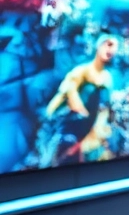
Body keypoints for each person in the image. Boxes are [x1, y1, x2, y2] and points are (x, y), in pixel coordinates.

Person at [44, 35, 118, 163]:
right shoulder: (81, 71)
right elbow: (65, 93)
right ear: (99, 45)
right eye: (108, 44)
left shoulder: (107, 78)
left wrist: (96, 132)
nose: (111, 50)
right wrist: (51, 114)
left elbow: (104, 109)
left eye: (114, 47)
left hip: (88, 132)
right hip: (68, 126)